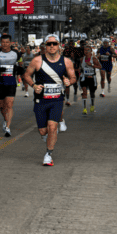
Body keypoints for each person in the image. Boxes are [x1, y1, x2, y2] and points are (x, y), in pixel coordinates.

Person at [23, 34, 76, 166]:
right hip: (41, 100)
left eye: (54, 44)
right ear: (45, 46)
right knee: (43, 131)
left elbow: (73, 77)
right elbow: (27, 75)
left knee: (52, 127)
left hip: (57, 100)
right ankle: (49, 138)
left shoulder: (66, 61)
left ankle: (48, 154)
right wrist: (34, 85)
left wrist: (69, 82)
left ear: (59, 45)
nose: (52, 46)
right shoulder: (37, 60)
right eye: (49, 44)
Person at [0, 33, 21, 137]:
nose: (5, 44)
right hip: (0, 82)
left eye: (7, 42)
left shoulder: (16, 53)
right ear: (0, 43)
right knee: (2, 107)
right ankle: (5, 119)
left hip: (11, 82)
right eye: (3, 42)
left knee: (9, 105)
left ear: (10, 43)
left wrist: (18, 70)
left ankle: (7, 127)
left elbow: (21, 64)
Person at [78, 44, 102, 114]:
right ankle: (84, 108)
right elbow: (80, 68)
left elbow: (100, 67)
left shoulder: (94, 59)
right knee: (84, 92)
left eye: (88, 50)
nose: (86, 51)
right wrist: (79, 71)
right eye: (85, 50)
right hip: (84, 78)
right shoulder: (82, 59)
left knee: (92, 93)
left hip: (92, 78)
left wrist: (91, 65)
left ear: (91, 51)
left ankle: (92, 106)